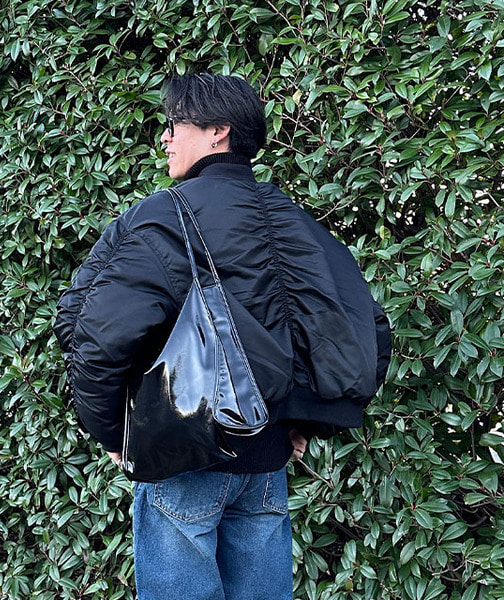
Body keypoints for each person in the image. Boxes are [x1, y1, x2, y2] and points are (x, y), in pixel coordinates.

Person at [54, 73, 391, 600]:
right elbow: (365, 328)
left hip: (181, 452)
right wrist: (306, 419)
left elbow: (94, 333)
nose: (165, 137)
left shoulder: (160, 218)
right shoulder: (294, 219)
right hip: (266, 460)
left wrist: (112, 433)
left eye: (175, 124)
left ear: (219, 132)